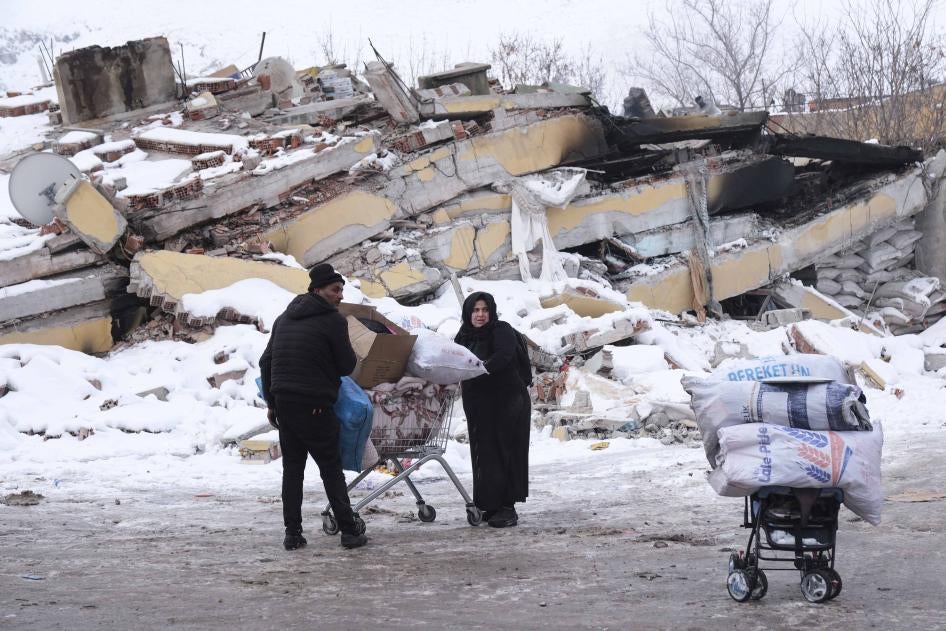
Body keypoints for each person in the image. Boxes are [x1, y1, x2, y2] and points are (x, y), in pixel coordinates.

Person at [259, 263, 368, 551]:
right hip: (316, 406)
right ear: (318, 290)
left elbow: (265, 362)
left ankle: (292, 534)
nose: (340, 295)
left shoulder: (284, 318)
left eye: (342, 290)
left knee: (293, 471)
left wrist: (272, 403)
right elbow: (346, 365)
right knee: (330, 469)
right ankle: (349, 531)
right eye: (335, 290)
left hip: (285, 405)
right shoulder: (333, 321)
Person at [454, 291, 531, 527]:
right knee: (485, 453)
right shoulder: (463, 336)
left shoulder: (501, 330)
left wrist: (480, 369)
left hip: (507, 401)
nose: (480, 315)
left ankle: (508, 508)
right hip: (479, 405)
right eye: (475, 310)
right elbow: (453, 360)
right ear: (468, 313)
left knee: (506, 451)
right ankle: (491, 504)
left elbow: (504, 355)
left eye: (485, 310)